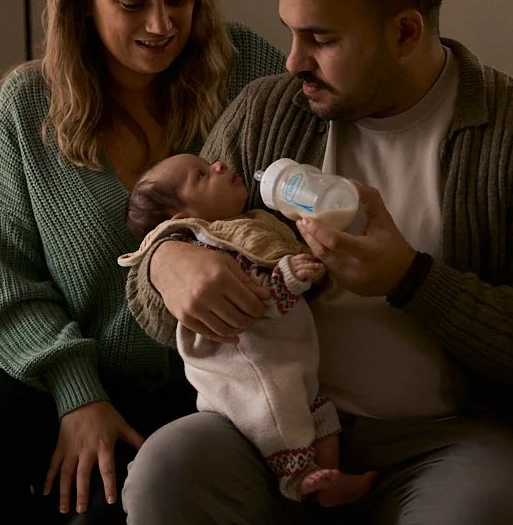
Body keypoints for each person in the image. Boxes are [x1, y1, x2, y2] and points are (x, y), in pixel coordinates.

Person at [120, 0, 513, 525]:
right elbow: (152, 295)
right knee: (165, 474)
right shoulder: (268, 112)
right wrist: (166, 262)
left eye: (321, 39)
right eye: (291, 32)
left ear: (406, 32)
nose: (293, 61)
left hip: (457, 440)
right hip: (279, 433)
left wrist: (411, 280)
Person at [0, 0, 286, 525]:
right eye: (133, 3)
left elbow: (299, 200)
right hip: (72, 359)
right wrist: (79, 396)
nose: (162, 25)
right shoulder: (28, 106)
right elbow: (4, 282)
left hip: (202, 379)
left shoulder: (245, 72)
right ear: (81, 1)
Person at [119, 153, 378, 505]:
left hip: (288, 358)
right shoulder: (210, 249)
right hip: (252, 369)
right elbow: (253, 300)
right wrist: (288, 278)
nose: (219, 165)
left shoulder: (247, 226)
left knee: (318, 411)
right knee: (278, 416)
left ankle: (330, 480)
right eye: (202, 175)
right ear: (182, 218)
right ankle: (295, 476)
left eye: (209, 163)